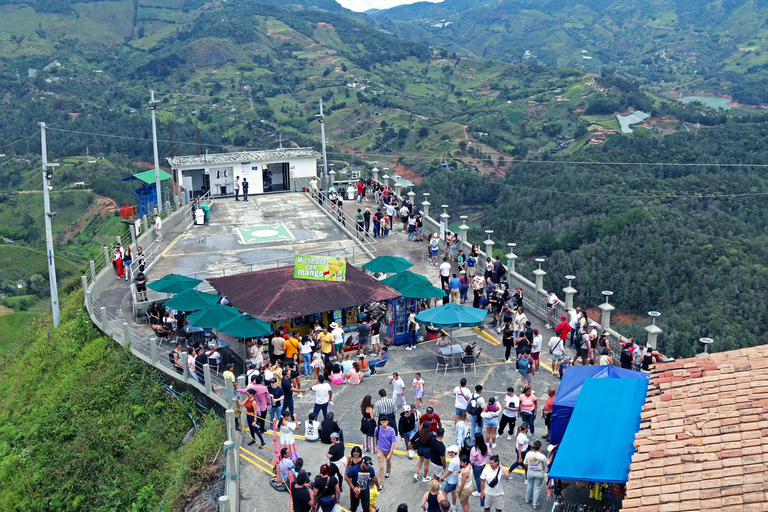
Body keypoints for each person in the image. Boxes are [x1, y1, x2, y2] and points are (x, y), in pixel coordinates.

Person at [524, 440, 549, 509]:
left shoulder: (528, 454)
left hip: (530, 472)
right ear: (540, 447)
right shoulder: (542, 456)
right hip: (539, 473)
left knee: (529, 485)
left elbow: (525, 464)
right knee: (537, 488)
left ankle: (527, 498)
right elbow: (547, 463)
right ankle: (535, 504)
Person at [374, 416, 397, 482]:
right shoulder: (377, 428)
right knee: (381, 467)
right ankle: (381, 483)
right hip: (380, 449)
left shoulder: (391, 430)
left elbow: (393, 442)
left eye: (385, 422)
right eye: (382, 422)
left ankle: (388, 471)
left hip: (388, 449)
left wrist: (390, 453)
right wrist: (375, 446)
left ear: (387, 422)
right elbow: (375, 436)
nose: (384, 424)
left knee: (388, 462)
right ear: (380, 422)